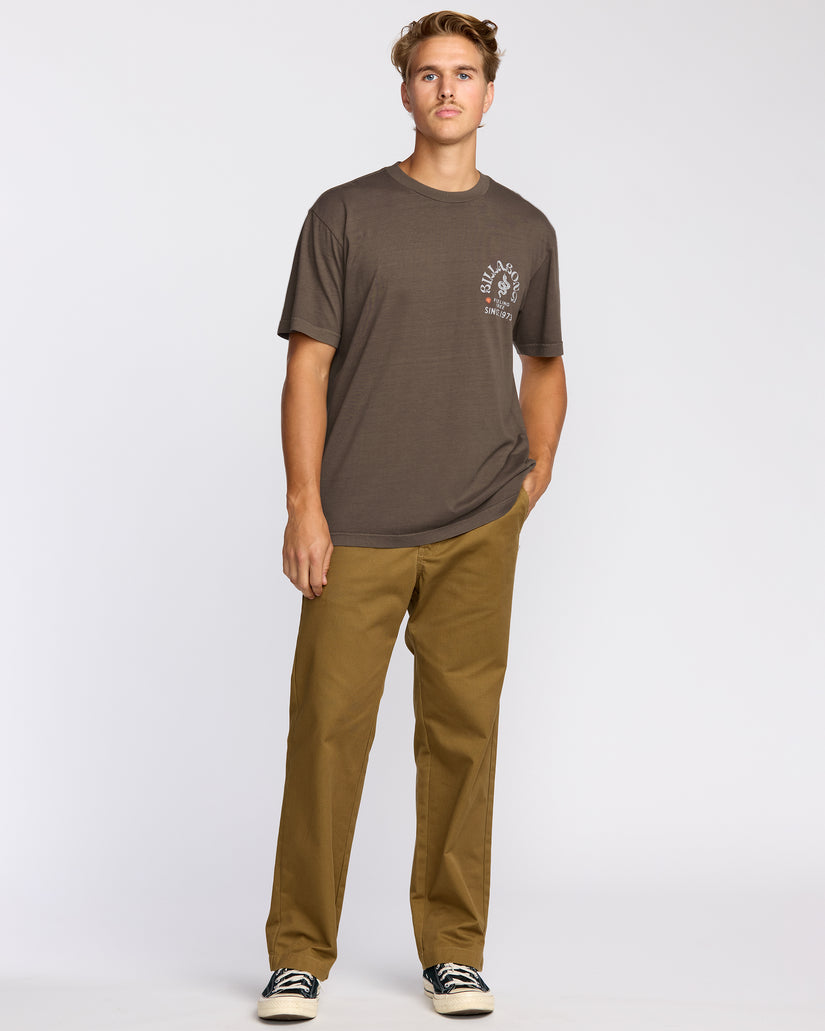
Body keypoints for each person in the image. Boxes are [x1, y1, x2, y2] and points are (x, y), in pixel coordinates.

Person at [258, 10, 567, 1021]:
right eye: (429, 74)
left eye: (464, 73)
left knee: (463, 738)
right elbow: (307, 368)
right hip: (357, 525)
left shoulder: (525, 230)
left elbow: (545, 363)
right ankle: (299, 954)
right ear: (404, 92)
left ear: (488, 93)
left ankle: (454, 951)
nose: (446, 89)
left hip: (479, 523)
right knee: (326, 734)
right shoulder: (345, 215)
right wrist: (305, 504)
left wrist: (531, 478)